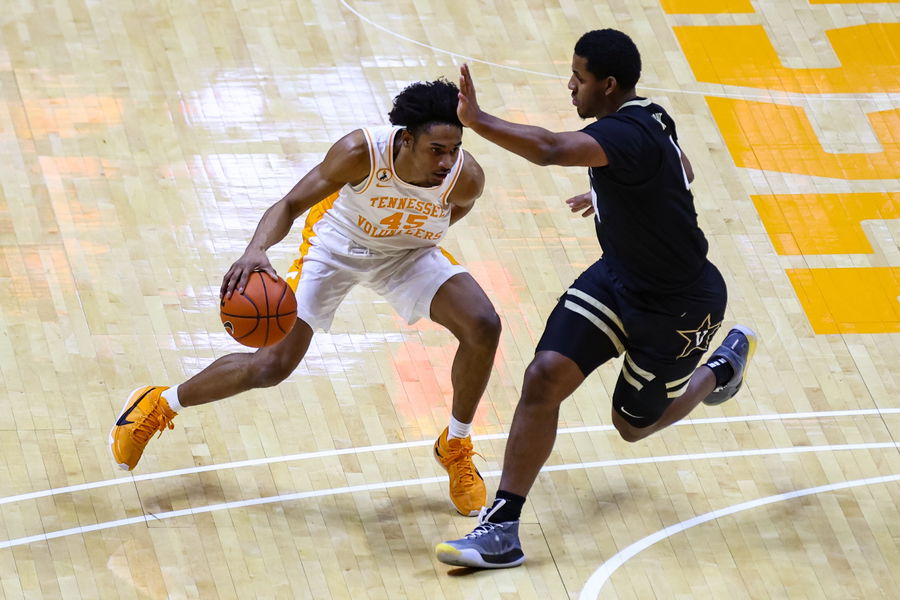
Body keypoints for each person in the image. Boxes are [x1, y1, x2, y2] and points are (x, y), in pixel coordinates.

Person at [435, 29, 757, 568]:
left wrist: (479, 120)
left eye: (578, 78)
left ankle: (721, 369)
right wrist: (613, 189)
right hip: (618, 280)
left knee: (632, 427)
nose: (569, 85)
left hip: (679, 307)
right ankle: (503, 529)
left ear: (608, 85)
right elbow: (683, 169)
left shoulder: (624, 134)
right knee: (543, 377)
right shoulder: (650, 115)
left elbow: (549, 149)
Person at [110, 79, 499, 517]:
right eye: (436, 150)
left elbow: (455, 209)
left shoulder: (465, 177)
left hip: (407, 252)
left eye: (454, 149)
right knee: (270, 367)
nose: (447, 161)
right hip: (335, 246)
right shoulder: (360, 153)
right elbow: (290, 204)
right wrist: (256, 249)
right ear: (406, 139)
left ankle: (456, 444)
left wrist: (405, 233)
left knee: (483, 324)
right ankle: (158, 403)